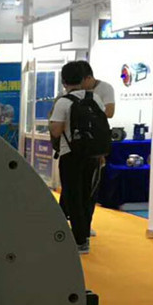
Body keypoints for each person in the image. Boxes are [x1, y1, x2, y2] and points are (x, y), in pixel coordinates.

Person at [49, 62, 106, 254]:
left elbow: (56, 131)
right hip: (93, 155)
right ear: (83, 79)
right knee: (87, 196)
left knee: (73, 196)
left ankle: (79, 240)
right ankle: (85, 235)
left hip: (70, 155)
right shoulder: (95, 98)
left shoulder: (63, 102)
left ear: (64, 81)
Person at [77, 60, 115, 236]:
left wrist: (88, 115)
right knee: (74, 188)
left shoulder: (104, 89)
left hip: (95, 145)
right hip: (76, 146)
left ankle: (85, 225)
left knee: (90, 189)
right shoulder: (73, 92)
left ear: (88, 78)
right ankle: (74, 223)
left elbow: (110, 112)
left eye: (81, 80)